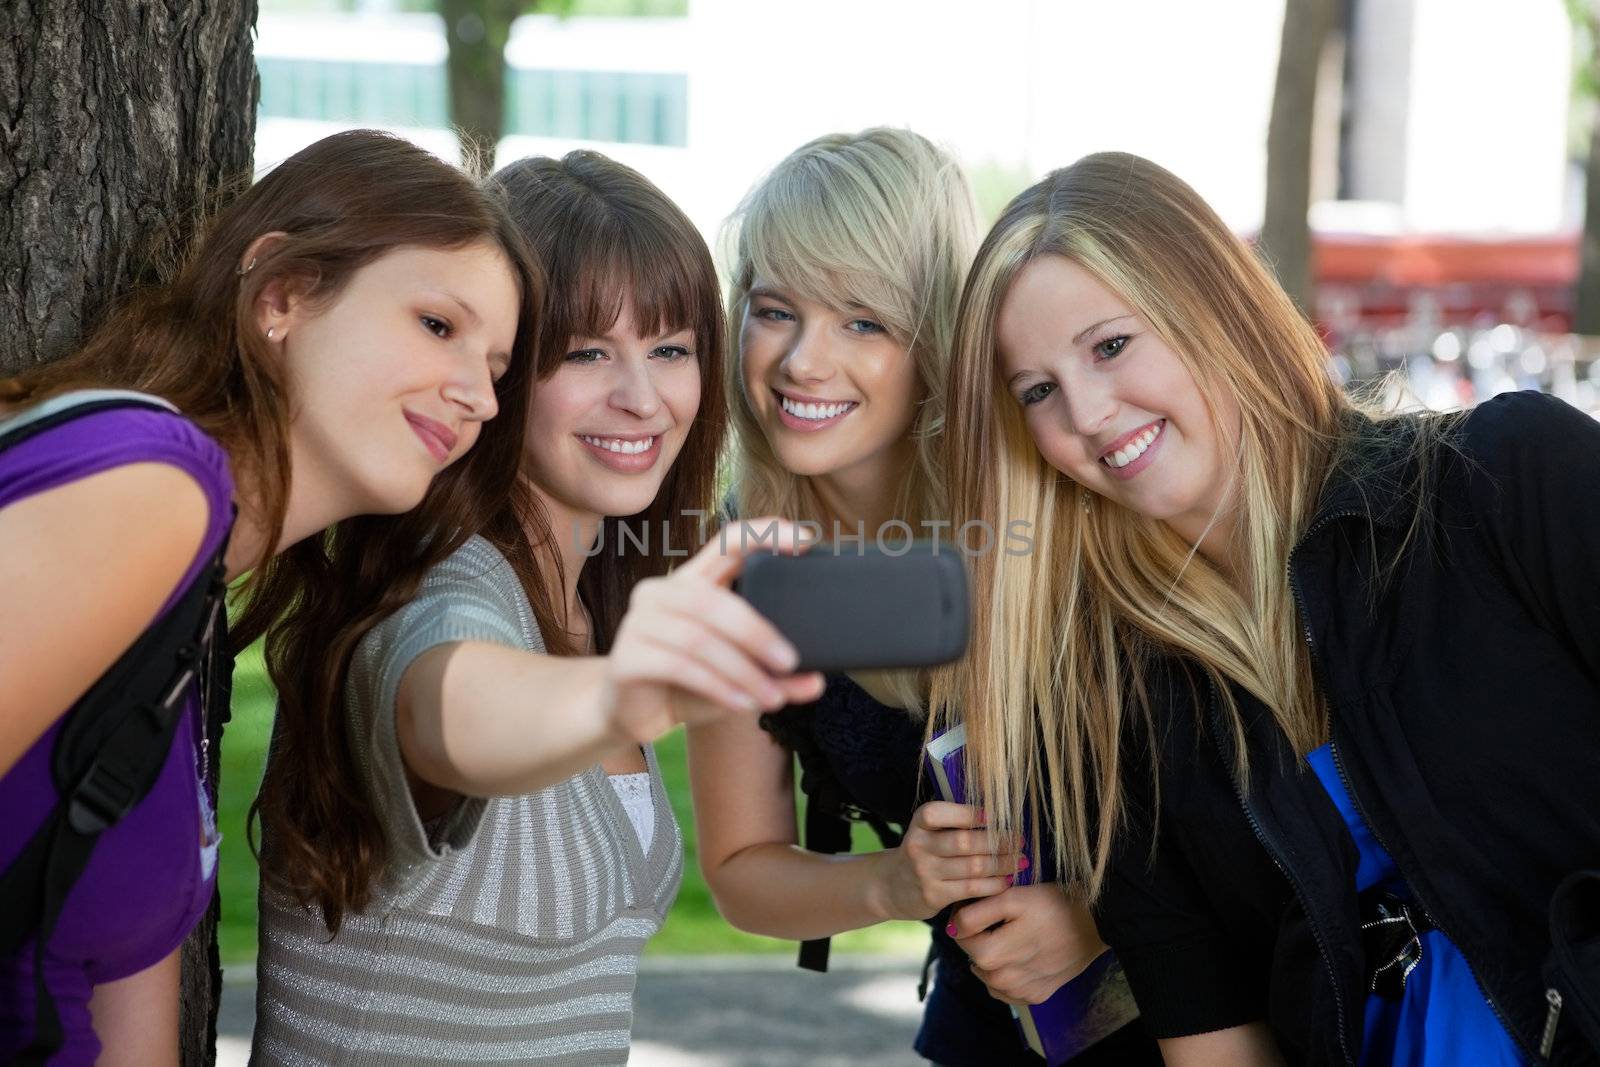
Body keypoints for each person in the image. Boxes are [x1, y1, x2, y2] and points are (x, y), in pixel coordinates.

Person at [937, 150, 1600, 1065]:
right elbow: (1218, 1048)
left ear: (1214, 306)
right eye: (1039, 391)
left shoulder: (1507, 479)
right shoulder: (1120, 714)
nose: (1086, 413)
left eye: (1111, 345)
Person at [249, 149, 821, 1067]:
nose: (641, 398)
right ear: (506, 371)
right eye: (588, 352)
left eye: (671, 350)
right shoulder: (444, 582)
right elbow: (447, 706)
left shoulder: (595, 598)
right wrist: (615, 697)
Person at [0, 127, 540, 1066]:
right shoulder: (155, 483)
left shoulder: (191, 603)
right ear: (281, 295)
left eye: (494, 368)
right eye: (439, 326)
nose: (480, 399)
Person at [690, 128, 1157, 1066]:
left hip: (1192, 1003)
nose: (801, 363)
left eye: (864, 321)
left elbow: (1238, 778)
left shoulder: (1051, 499)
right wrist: (897, 884)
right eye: (776, 309)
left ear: (938, 336)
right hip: (987, 1023)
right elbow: (742, 871)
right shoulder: (739, 566)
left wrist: (1100, 929)